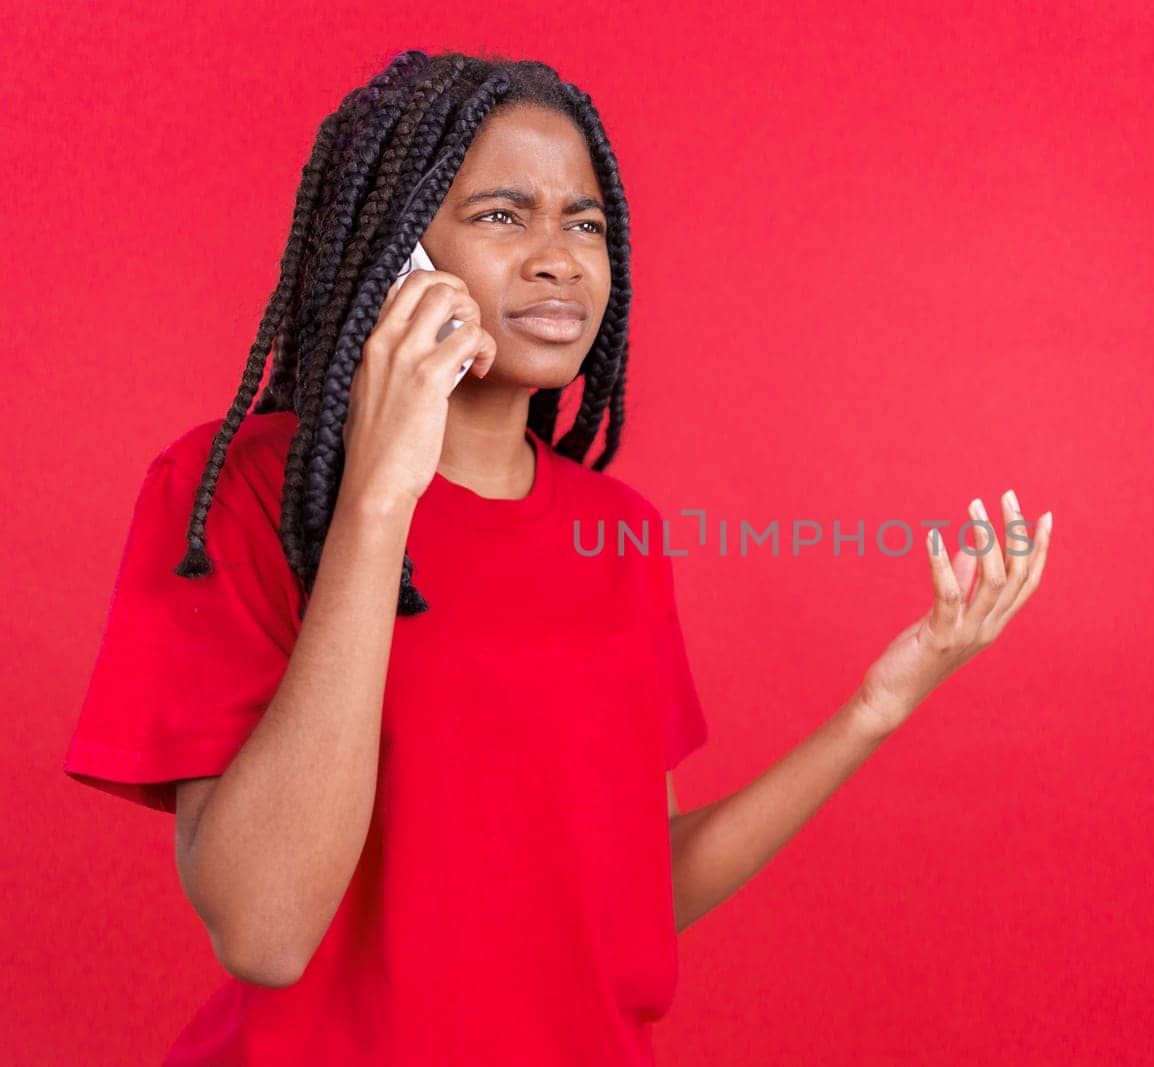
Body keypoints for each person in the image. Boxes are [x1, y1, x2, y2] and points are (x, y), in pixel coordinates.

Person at [62, 50, 1053, 1065]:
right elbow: (265, 928)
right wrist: (378, 500)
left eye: (585, 222)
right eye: (503, 215)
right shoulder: (242, 491)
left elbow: (634, 892)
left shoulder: (616, 532)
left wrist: (878, 705)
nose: (559, 256)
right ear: (395, 251)